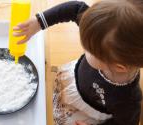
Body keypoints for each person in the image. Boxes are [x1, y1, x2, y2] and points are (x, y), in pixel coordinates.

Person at [13, 0, 143, 125]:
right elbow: (75, 9)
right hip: (73, 80)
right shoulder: (101, 29)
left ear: (119, 67)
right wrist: (39, 22)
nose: (83, 47)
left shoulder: (128, 101)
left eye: (89, 50)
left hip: (87, 112)